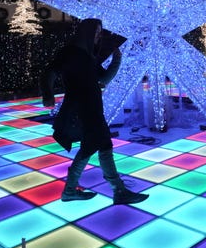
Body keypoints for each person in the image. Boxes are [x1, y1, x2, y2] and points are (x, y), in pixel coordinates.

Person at [41, 18, 149, 204]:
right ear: (86, 32)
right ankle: (116, 191)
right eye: (96, 32)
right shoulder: (71, 53)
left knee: (100, 145)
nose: (98, 36)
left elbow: (104, 80)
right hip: (81, 108)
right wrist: (47, 94)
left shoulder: (88, 56)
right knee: (96, 145)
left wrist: (117, 60)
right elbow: (50, 72)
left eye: (100, 32)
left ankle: (86, 190)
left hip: (92, 107)